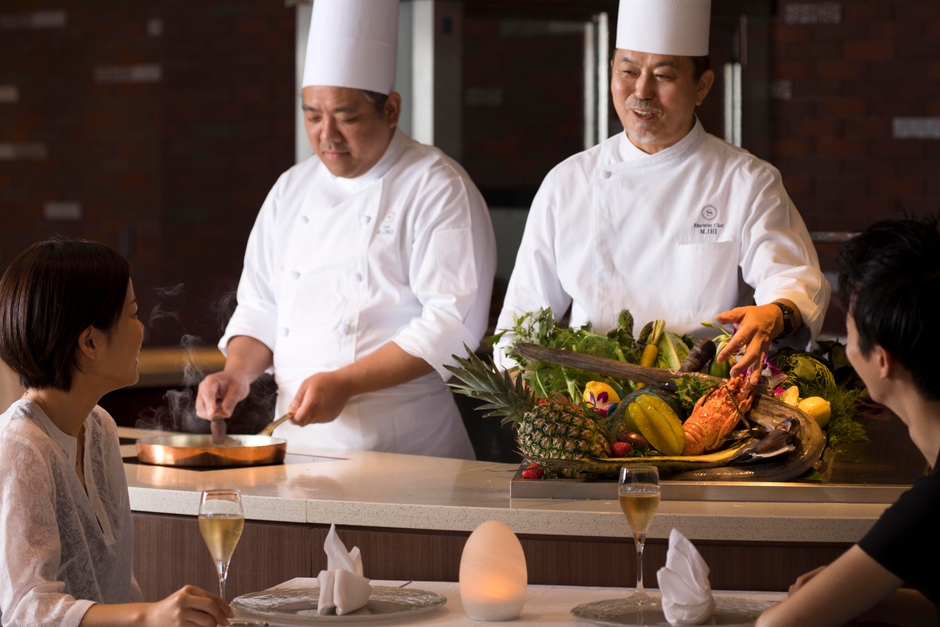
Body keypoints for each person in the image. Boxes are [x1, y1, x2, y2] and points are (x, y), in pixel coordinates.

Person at [195, 0, 496, 458]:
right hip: (297, 445)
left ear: (391, 109)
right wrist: (236, 373)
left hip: (405, 451)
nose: (327, 135)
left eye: (347, 116)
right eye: (313, 116)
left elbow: (451, 325)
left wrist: (346, 382)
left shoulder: (437, 186)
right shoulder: (291, 188)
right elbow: (261, 307)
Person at [495, 0, 829, 379]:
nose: (641, 91)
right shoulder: (567, 183)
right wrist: (528, 390)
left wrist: (774, 312)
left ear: (701, 86)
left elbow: (789, 277)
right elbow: (521, 322)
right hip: (591, 398)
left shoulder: (747, 180)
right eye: (627, 71)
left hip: (705, 393)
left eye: (664, 75)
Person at [0, 239, 232, 627]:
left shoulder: (99, 428)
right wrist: (151, 615)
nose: (142, 329)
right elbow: (27, 612)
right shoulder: (20, 447)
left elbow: (118, 589)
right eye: (133, 314)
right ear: (90, 341)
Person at [757, 217, 940, 627]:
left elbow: (776, 626)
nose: (847, 348)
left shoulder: (928, 508)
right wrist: (868, 598)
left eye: (850, 333)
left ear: (882, 360)